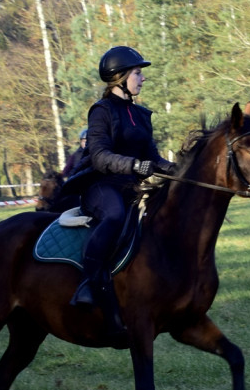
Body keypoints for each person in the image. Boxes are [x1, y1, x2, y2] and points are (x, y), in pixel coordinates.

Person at [64, 46, 175, 343]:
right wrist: (135, 165)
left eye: (141, 73)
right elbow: (99, 156)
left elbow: (153, 157)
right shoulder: (101, 111)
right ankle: (88, 283)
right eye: (138, 73)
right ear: (119, 77)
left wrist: (180, 171)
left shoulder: (140, 114)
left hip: (131, 185)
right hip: (101, 186)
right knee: (114, 215)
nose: (142, 79)